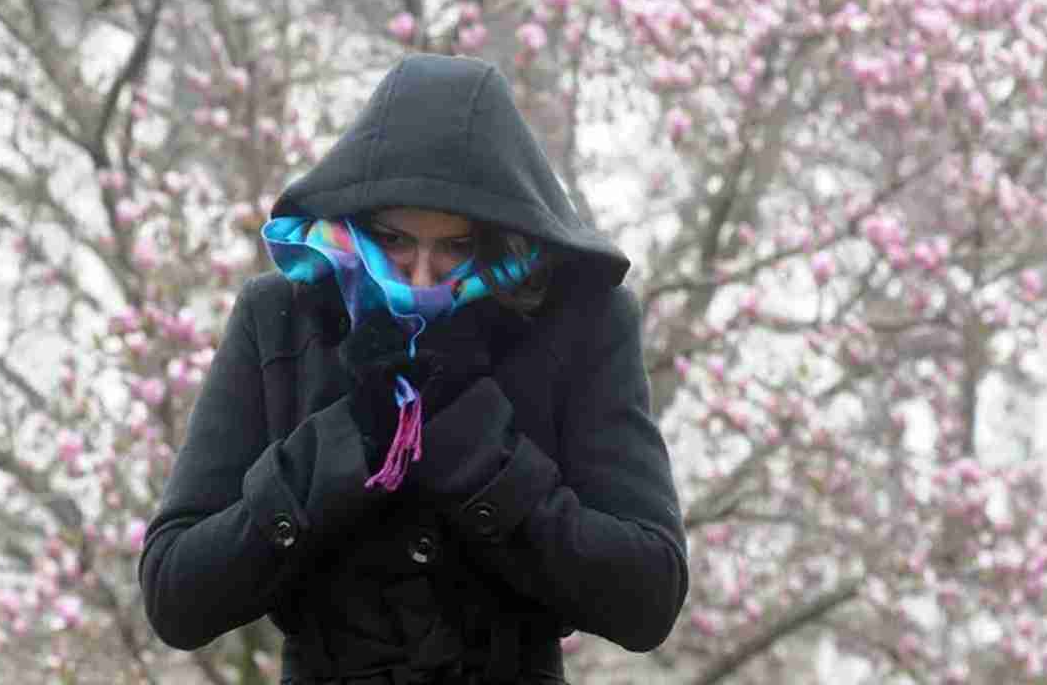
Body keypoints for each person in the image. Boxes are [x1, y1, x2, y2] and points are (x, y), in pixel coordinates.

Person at [138, 53, 689, 684]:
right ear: (356, 220)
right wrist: (344, 445)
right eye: (395, 240)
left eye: (456, 246)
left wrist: (477, 453)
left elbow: (649, 594)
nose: (422, 277)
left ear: (499, 236)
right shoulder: (280, 317)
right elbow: (175, 592)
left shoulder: (583, 324)